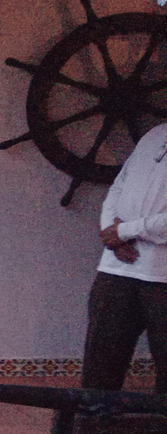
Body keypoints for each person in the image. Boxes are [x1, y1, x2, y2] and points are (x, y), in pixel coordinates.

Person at [82, 122, 167, 394]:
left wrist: (124, 231)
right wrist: (111, 234)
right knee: (100, 366)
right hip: (117, 270)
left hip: (162, 274)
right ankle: (91, 431)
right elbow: (118, 186)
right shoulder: (155, 134)